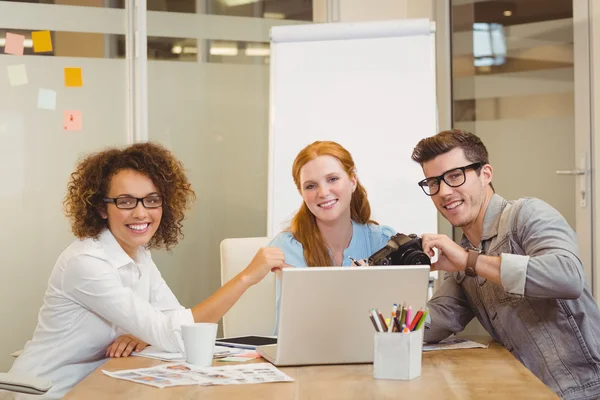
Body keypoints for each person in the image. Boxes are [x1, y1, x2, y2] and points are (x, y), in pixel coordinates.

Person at [6, 142, 284, 399]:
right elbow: (177, 334)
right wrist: (246, 278)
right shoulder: (86, 263)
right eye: (126, 201)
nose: (141, 213)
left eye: (152, 200)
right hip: (49, 391)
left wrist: (141, 333)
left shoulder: (139, 254)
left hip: (101, 385)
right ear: (103, 208)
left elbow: (176, 320)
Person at [412, 129, 600, 400]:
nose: (443, 192)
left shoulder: (526, 214)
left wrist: (469, 261)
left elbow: (568, 276)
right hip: (527, 391)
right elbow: (433, 323)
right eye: (433, 182)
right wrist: (391, 281)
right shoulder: (464, 256)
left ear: (485, 174)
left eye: (455, 176)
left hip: (586, 391)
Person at [269, 141, 395, 330]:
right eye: (311, 186)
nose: (323, 192)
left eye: (332, 179)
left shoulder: (384, 241)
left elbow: (407, 321)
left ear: (352, 181)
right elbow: (304, 327)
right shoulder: (285, 248)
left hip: (374, 355)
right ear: (301, 193)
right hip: (304, 356)